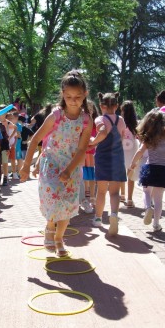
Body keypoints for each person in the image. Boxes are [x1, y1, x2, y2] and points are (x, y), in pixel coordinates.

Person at [20, 70, 92, 257]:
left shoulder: (86, 121)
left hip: (72, 165)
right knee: (52, 199)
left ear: (85, 94)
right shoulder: (56, 116)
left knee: (67, 205)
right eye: (68, 96)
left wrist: (69, 170)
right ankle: (49, 226)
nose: (73, 100)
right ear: (63, 95)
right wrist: (27, 165)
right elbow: (35, 139)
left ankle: (59, 238)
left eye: (77, 96)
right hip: (51, 163)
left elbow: (82, 149)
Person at [130, 109, 165, 232]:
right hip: (163, 170)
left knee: (146, 192)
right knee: (158, 199)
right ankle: (156, 224)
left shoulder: (149, 138)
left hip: (150, 168)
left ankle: (147, 208)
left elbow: (140, 152)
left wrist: (133, 163)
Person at [88, 92, 127, 236]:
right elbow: (122, 137)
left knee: (102, 191)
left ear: (101, 105)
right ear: (116, 106)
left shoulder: (100, 119)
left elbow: (103, 132)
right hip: (117, 158)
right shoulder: (121, 120)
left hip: (103, 158)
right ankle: (114, 215)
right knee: (115, 192)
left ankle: (98, 218)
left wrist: (93, 141)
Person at [120, 100, 140, 208]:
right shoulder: (135, 124)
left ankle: (122, 194)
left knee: (122, 172)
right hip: (132, 149)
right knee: (130, 174)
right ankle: (130, 199)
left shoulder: (120, 122)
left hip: (122, 148)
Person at [81, 100, 98, 214]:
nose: (89, 111)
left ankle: (92, 197)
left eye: (91, 109)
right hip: (82, 152)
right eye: (87, 109)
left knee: (91, 175)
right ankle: (82, 198)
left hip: (91, 152)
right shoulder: (81, 122)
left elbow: (98, 137)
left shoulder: (96, 123)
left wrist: (94, 144)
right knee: (81, 175)